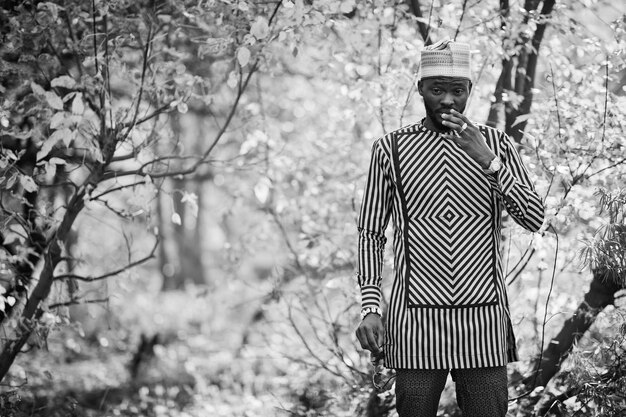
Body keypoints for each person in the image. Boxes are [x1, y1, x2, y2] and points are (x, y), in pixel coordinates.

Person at [354, 39, 545, 417]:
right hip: (415, 323)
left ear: (470, 91)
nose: (447, 101)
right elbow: (371, 234)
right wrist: (371, 306)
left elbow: (535, 218)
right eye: (437, 89)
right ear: (420, 88)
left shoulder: (497, 145)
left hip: (483, 322)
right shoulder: (390, 150)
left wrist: (489, 162)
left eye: (457, 91)